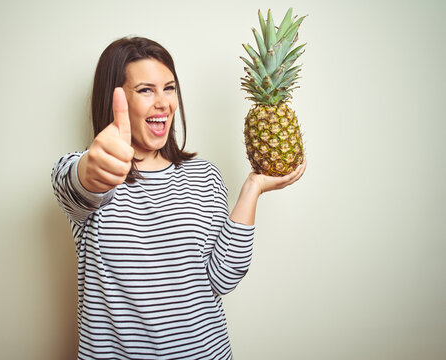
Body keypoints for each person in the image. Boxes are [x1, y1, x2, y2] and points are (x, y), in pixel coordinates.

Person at [52, 36, 306, 360]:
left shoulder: (205, 176)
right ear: (115, 98)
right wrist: (93, 168)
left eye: (169, 88)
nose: (164, 103)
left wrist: (252, 190)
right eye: (146, 90)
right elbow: (78, 182)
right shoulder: (89, 179)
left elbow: (222, 278)